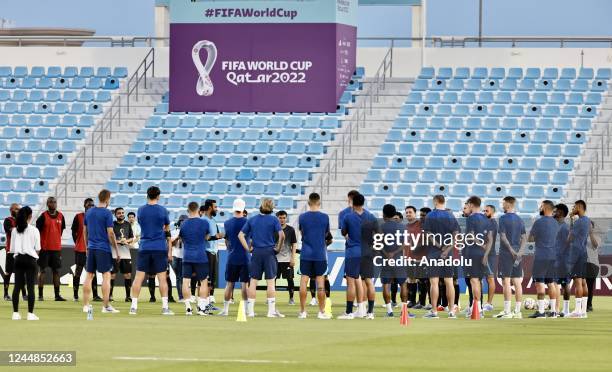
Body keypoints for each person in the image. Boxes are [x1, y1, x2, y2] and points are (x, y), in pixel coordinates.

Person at [129, 186, 174, 315]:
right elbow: (166, 227)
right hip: (159, 247)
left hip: (144, 246)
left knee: (138, 277)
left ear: (147, 195)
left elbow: (142, 223)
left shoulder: (141, 210)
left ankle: (133, 307)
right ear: (158, 196)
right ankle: (165, 308)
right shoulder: (163, 210)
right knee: (162, 278)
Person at [239, 198, 285, 318]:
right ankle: (270, 312)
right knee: (270, 282)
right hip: (269, 252)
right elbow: (282, 235)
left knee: (253, 282)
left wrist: (248, 248)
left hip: (256, 252)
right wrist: (278, 248)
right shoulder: (274, 219)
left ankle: (251, 311)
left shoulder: (252, 219)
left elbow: (240, 235)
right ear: (271, 207)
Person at [338, 193, 377, 319]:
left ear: (353, 203)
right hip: (367, 252)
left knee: (351, 282)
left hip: (353, 252)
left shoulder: (348, 217)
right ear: (363, 203)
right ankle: (370, 312)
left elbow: (344, 232)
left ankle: (349, 312)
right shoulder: (370, 216)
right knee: (369, 282)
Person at [82, 189, 120, 314]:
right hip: (103, 248)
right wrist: (116, 249)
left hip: (91, 247)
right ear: (108, 199)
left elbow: (84, 231)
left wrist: (87, 246)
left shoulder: (89, 212)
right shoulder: (107, 213)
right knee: (106, 276)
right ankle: (106, 306)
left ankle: (86, 305)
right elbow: (110, 233)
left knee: (89, 275)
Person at [422, 195, 459, 319]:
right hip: (447, 254)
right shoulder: (451, 215)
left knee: (434, 282)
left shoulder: (430, 216)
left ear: (435, 202)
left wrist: (439, 246)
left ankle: (434, 311)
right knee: (449, 281)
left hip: (433, 252)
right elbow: (456, 236)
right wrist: (447, 249)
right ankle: (452, 311)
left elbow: (428, 234)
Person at [297, 193, 332, 319]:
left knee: (303, 282)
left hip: (306, 253)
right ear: (319, 202)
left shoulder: (302, 217)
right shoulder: (325, 217)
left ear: (308, 202)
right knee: (320, 283)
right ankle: (321, 312)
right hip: (320, 254)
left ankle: (302, 311)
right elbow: (326, 233)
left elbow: (302, 232)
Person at [494, 196, 526, 319]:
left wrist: (512, 251)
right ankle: (517, 311)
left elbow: (502, 236)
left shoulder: (502, 219)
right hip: (517, 253)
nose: (502, 205)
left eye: (503, 203)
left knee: (506, 281)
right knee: (517, 281)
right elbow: (524, 237)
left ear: (508, 204)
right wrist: (520, 252)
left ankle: (507, 311)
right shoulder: (519, 219)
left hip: (506, 253)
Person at [527, 200, 560, 318]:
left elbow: (530, 239)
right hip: (552, 256)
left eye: (541, 206)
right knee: (551, 283)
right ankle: (553, 311)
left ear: (545, 208)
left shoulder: (538, 222)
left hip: (541, 256)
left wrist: (533, 229)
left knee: (540, 283)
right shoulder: (556, 223)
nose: (540, 208)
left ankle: (541, 311)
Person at [179, 202, 211, 316]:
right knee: (203, 282)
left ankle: (188, 308)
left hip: (187, 256)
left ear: (188, 210)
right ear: (198, 209)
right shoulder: (204, 222)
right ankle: (201, 308)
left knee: (185, 281)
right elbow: (207, 237)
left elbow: (181, 238)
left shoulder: (183, 224)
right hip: (200, 256)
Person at [380, 204, 412, 318]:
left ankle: (389, 311)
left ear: (383, 214)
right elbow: (405, 244)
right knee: (403, 284)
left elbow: (378, 244)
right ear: (394, 214)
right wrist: (394, 253)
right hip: (399, 259)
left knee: (386, 285)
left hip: (385, 260)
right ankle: (404, 310)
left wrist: (387, 254)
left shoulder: (381, 227)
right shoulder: (402, 227)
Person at [10, 206, 41, 320]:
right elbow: (38, 248)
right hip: (30, 260)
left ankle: (15, 313)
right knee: (30, 287)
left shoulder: (14, 230)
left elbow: (12, 249)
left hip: (18, 259)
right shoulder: (34, 230)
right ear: (30, 216)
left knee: (17, 286)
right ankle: (30, 314)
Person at [220, 199, 249, 316]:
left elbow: (226, 241)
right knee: (244, 284)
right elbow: (250, 239)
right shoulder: (248, 222)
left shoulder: (227, 223)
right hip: (245, 257)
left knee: (229, 284)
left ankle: (225, 310)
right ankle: (246, 310)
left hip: (232, 256)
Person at [36, 196, 66, 301]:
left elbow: (60, 231)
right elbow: (37, 232)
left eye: (54, 202)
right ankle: (40, 295)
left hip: (56, 249)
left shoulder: (61, 216)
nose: (53, 203)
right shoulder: (43, 216)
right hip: (44, 249)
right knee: (42, 271)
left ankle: (57, 295)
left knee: (56, 271)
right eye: (51, 202)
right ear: (47, 204)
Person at [567, 200, 590, 318]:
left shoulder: (579, 222)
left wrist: (571, 221)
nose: (573, 208)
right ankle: (583, 311)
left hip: (576, 253)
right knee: (584, 282)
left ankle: (577, 311)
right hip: (583, 253)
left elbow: (570, 238)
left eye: (574, 206)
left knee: (578, 282)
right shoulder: (587, 220)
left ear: (580, 207)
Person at [201, 200, 223, 309]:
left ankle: (208, 302)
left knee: (212, 278)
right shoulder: (203, 221)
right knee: (206, 279)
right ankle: (203, 303)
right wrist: (216, 237)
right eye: (215, 206)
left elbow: (215, 235)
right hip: (206, 252)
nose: (217, 209)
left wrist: (220, 235)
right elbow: (205, 237)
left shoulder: (213, 221)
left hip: (214, 252)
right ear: (210, 207)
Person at [3, 203, 26, 301]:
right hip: (11, 251)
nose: (18, 211)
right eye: (16, 209)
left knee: (21, 273)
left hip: (20, 251)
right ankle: (6, 294)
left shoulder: (21, 221)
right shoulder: (8, 220)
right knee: (8, 273)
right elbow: (11, 231)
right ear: (11, 210)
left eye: (19, 209)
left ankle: (24, 295)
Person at [112, 207, 134, 302]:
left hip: (125, 253)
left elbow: (131, 238)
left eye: (122, 213)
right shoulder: (111, 225)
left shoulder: (128, 224)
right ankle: (110, 296)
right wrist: (117, 241)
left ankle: (128, 296)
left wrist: (126, 241)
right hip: (114, 253)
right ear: (115, 215)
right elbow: (109, 238)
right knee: (112, 275)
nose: (121, 214)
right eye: (119, 213)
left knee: (128, 275)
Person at [275, 210, 297, 305]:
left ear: (286, 218)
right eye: (280, 218)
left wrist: (293, 258)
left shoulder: (291, 230)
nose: (282, 220)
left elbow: (294, 244)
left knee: (290, 279)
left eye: (284, 218)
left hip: (287, 259)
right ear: (277, 218)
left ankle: (291, 298)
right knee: (272, 279)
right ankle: (271, 299)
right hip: (275, 259)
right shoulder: (273, 229)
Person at [553, 203, 571, 317]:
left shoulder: (564, 227)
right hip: (563, 259)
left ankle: (556, 308)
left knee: (555, 283)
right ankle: (565, 309)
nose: (554, 212)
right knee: (565, 284)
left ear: (561, 212)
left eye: (556, 211)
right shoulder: (560, 226)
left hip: (559, 259)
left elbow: (567, 243)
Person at [404, 206, 421, 308]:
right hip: (408, 256)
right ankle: (412, 300)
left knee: (420, 279)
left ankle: (421, 301)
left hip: (419, 257)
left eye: (410, 212)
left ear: (415, 213)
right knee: (410, 279)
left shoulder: (420, 225)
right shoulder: (405, 227)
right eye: (407, 213)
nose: (408, 214)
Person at [482, 204, 498, 312]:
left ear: (492, 212)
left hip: (489, 254)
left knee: (490, 278)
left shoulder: (492, 223)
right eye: (484, 210)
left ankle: (489, 303)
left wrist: (486, 254)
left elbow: (490, 240)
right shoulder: (486, 223)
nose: (484, 212)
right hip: (483, 254)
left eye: (486, 211)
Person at [170, 215, 188, 302]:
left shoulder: (188, 232)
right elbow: (171, 243)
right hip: (175, 255)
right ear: (179, 222)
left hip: (184, 256)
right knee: (179, 277)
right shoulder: (174, 231)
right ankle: (181, 297)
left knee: (182, 277)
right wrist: (178, 237)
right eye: (182, 221)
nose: (183, 223)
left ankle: (185, 296)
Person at [585, 220, 601, 312]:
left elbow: (595, 245)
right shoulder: (581, 237)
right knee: (581, 284)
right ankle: (581, 304)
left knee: (590, 285)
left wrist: (590, 233)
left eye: (590, 226)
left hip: (592, 264)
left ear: (593, 228)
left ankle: (589, 305)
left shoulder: (597, 237)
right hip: (581, 263)